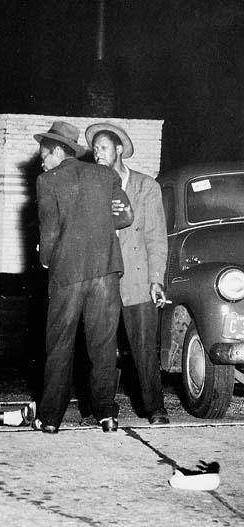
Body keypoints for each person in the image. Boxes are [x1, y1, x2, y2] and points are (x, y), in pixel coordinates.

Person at [33, 121, 133, 434]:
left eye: (44, 156)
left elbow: (49, 230)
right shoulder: (106, 174)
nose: (42, 162)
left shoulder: (47, 181)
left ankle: (50, 419)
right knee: (103, 345)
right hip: (105, 270)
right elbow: (126, 216)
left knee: (60, 345)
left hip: (68, 272)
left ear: (56, 151)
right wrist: (100, 225)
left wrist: (46, 258)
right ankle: (107, 415)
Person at [85, 122, 169, 425]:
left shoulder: (147, 186)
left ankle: (156, 408)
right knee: (101, 350)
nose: (97, 154)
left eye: (103, 148)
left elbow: (156, 237)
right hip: (102, 281)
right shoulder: (92, 187)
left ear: (119, 149)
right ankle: (102, 410)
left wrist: (155, 280)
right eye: (94, 150)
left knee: (144, 348)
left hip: (137, 280)